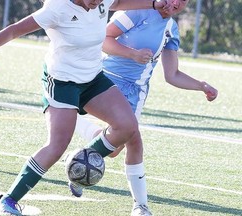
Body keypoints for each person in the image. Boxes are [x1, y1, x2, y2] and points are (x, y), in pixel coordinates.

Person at [0, 0, 174, 215]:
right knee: (57, 145)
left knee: (128, 127)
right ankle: (8, 200)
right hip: (62, 82)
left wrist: (155, 3)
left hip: (93, 78)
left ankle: (81, 161)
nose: (98, 3)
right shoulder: (57, 8)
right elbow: (14, 31)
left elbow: (119, 2)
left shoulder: (100, 1)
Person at [72, 0, 218, 215]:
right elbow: (103, 38)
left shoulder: (172, 29)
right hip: (106, 80)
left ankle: (79, 162)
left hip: (137, 91)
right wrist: (131, 53)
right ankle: (141, 207)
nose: (177, 3)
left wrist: (201, 85)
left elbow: (172, 75)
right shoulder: (138, 10)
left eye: (184, 0)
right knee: (135, 140)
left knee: (114, 150)